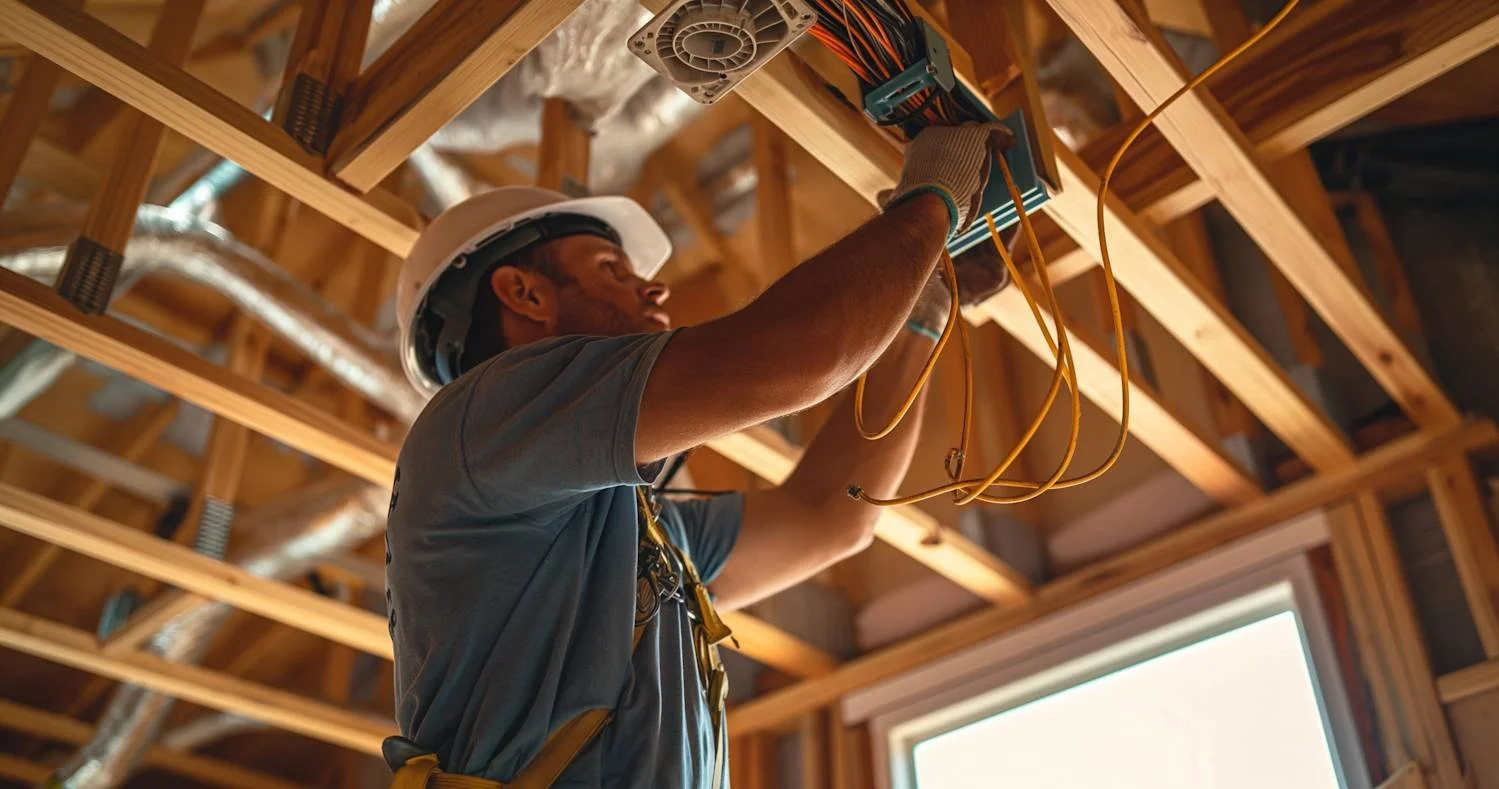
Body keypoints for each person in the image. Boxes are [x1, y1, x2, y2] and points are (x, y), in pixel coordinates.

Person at [381, 123, 1012, 788]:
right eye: (612, 271)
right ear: (524, 293)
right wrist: (931, 195)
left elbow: (830, 514)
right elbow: (794, 356)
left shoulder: (634, 527)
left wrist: (924, 310)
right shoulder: (483, 416)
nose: (654, 290)